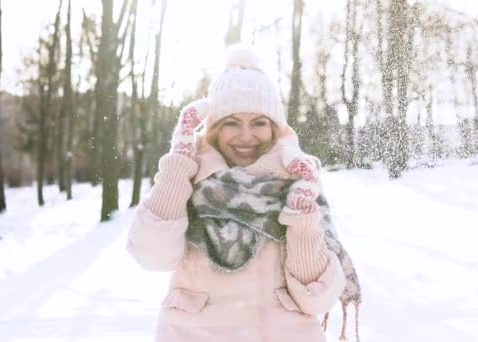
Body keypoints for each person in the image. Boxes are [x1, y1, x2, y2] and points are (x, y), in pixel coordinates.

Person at [127, 44, 360, 342]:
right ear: (213, 129)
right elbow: (151, 256)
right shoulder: (187, 176)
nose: (246, 136)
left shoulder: (299, 179)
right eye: (231, 123)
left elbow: (317, 299)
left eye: (259, 123)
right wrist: (178, 164)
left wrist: (301, 218)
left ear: (275, 128)